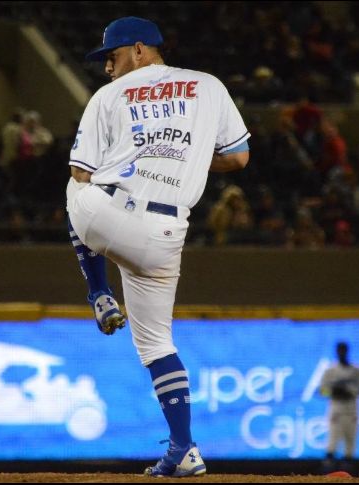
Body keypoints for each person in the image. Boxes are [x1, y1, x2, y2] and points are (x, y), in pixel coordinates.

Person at [65, 16, 250, 477]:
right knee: (157, 343)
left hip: (112, 215)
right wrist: (184, 157)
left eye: (113, 56)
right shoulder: (209, 85)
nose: (108, 68)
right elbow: (239, 157)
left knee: (72, 192)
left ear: (141, 50)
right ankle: (184, 450)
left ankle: (98, 292)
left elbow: (81, 172)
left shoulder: (107, 97)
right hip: (168, 236)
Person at [319, 341, 359, 473]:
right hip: (336, 410)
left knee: (350, 443)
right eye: (339, 350)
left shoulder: (356, 371)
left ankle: (348, 471)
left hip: (351, 410)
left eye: (344, 350)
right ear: (336, 352)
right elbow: (322, 391)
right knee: (332, 441)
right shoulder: (330, 371)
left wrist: (352, 391)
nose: (341, 353)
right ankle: (328, 471)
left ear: (347, 351)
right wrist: (334, 391)